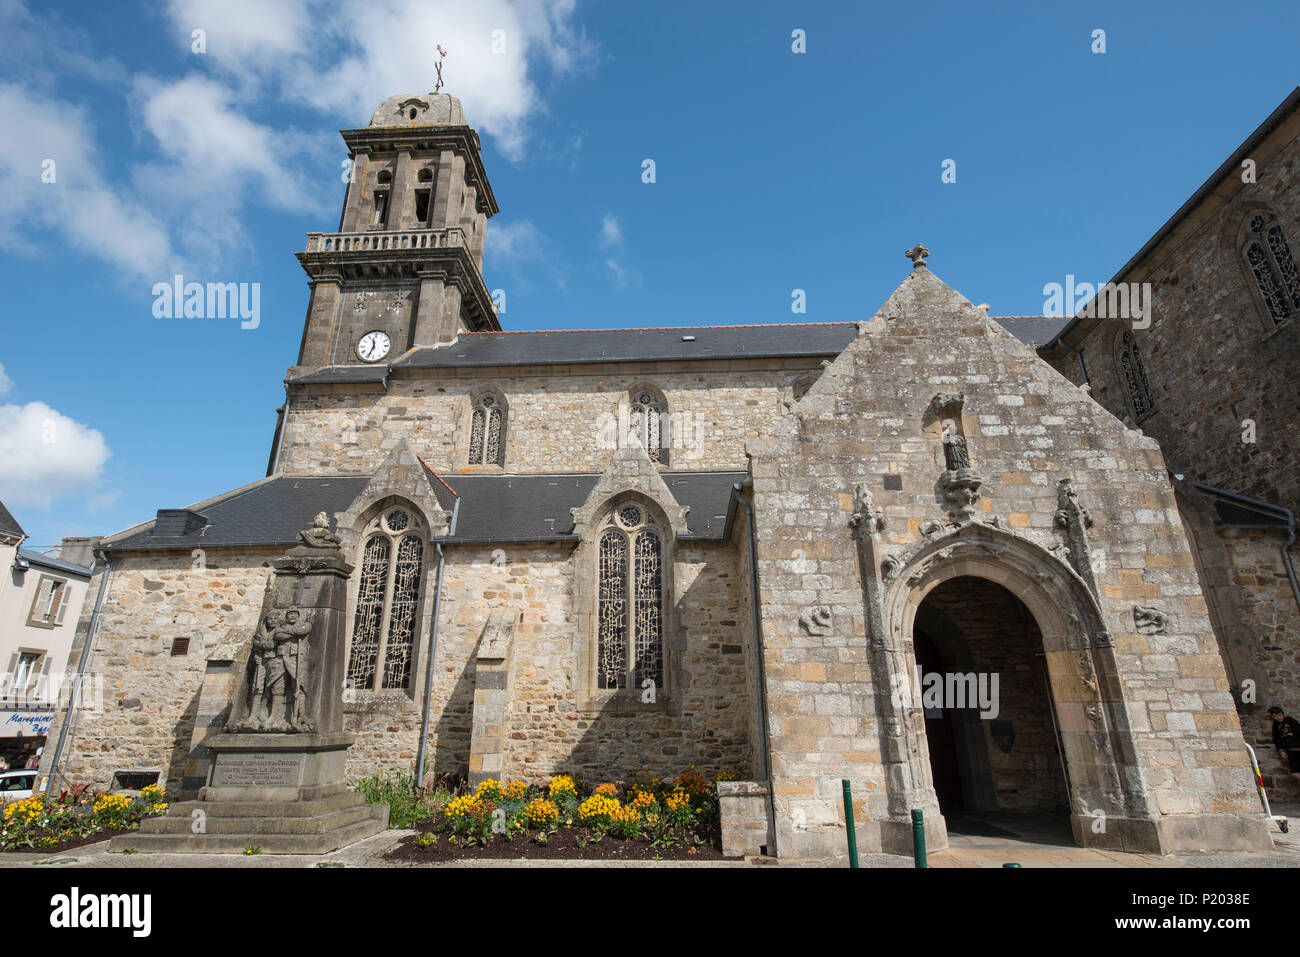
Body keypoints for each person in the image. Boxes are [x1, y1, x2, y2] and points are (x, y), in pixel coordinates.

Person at [1269, 706, 1300, 788]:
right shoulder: (1275, 726)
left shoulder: (1290, 721)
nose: (1278, 718)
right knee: (1295, 773)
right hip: (1291, 751)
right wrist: (1281, 750)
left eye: (1279, 715)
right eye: (1275, 716)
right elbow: (1277, 739)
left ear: (1282, 714)